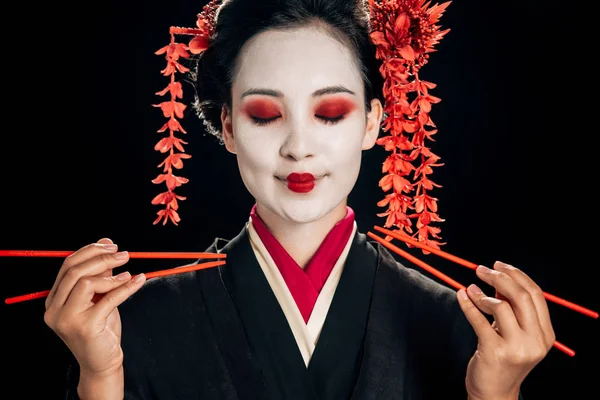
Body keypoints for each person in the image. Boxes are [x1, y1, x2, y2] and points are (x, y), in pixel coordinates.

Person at [43, 0, 555, 399]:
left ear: (373, 122)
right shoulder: (133, 326)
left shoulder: (457, 330)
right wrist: (102, 378)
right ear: (228, 127)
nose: (298, 146)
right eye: (265, 115)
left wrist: (497, 392)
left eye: (330, 112)